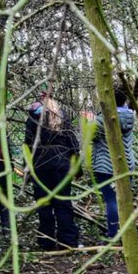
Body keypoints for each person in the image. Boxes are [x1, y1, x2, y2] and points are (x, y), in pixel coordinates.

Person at [25, 92, 81, 250]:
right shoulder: (62, 116)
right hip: (61, 166)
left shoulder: (32, 118)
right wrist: (77, 168)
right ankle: (67, 241)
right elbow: (72, 143)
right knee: (63, 203)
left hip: (40, 166)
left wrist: (27, 171)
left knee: (44, 204)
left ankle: (46, 241)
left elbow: (28, 144)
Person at [87, 84, 136, 242]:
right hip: (127, 163)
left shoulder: (103, 120)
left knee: (111, 200)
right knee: (125, 200)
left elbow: (90, 137)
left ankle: (113, 234)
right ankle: (127, 234)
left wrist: (89, 121)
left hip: (105, 166)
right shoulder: (130, 116)